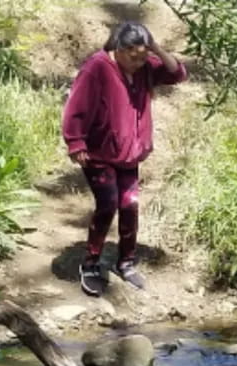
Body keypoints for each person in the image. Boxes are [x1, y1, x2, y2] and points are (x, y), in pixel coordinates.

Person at [62, 22, 187, 297]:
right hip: (98, 153)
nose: (139, 62)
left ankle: (126, 262)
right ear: (119, 50)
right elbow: (76, 106)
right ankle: (91, 264)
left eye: (144, 56)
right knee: (107, 203)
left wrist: (153, 46)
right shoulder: (97, 67)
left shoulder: (145, 69)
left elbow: (177, 73)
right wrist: (76, 141)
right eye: (134, 56)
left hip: (129, 154)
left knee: (130, 205)